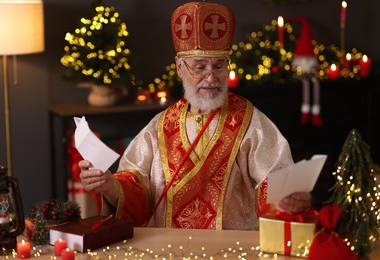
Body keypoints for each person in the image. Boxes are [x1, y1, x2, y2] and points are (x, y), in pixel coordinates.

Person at [78, 1, 312, 230]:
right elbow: (136, 185)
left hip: (232, 252)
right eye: (200, 67)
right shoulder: (159, 127)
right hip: (166, 251)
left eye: (219, 67)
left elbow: (275, 182)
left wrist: (287, 200)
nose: (210, 78)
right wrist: (110, 186)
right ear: (180, 67)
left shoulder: (250, 122)